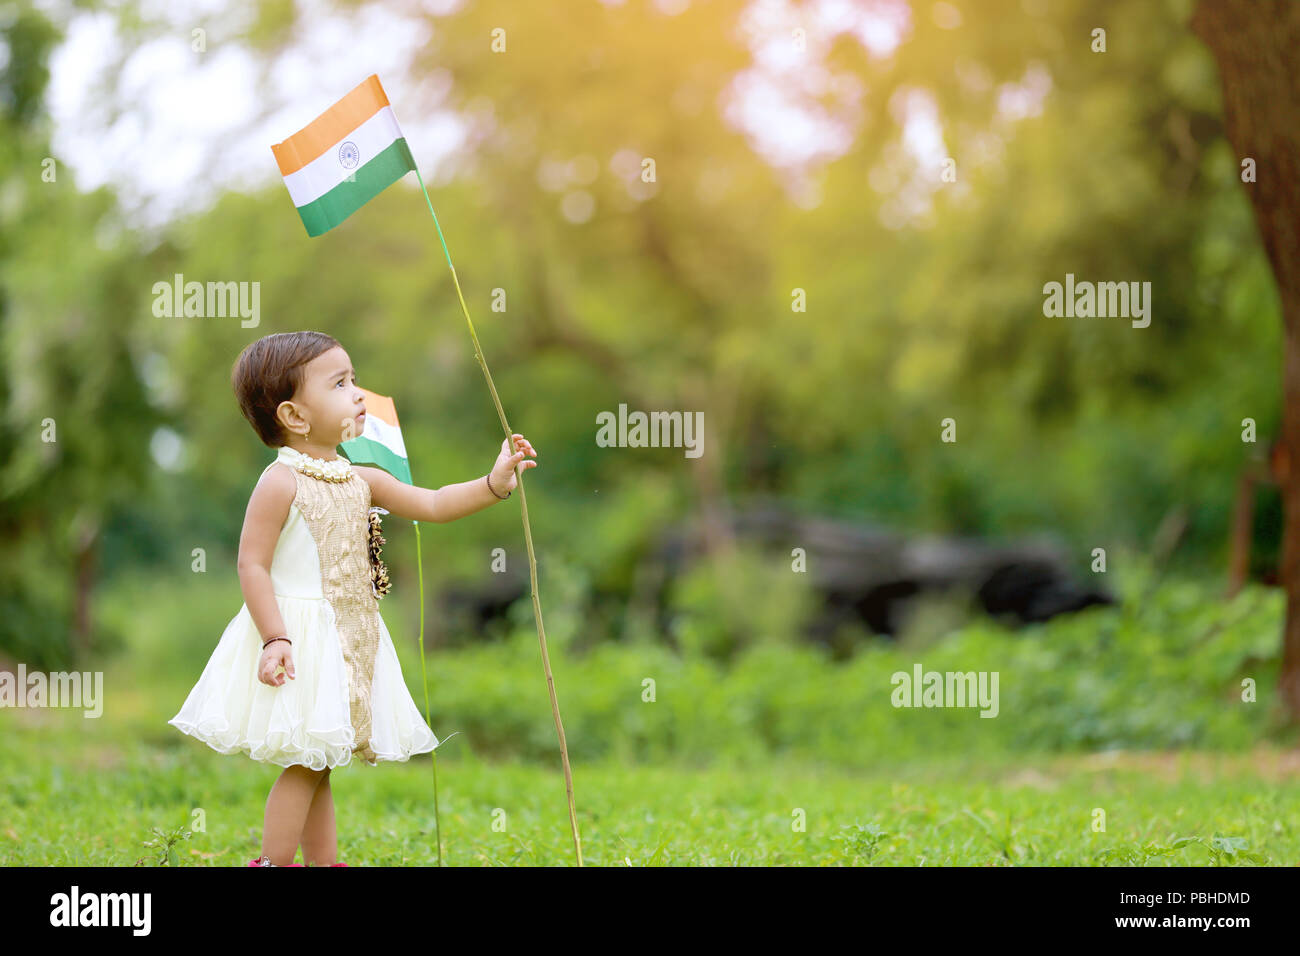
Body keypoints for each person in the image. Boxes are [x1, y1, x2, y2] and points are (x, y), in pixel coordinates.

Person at [167, 330, 538, 866]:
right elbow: (253, 563)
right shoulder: (280, 482)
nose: (359, 393)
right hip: (301, 637)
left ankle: (324, 862)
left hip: (352, 634)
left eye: (354, 379)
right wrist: (274, 637)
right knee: (305, 763)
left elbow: (432, 503)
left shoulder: (360, 478)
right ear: (295, 416)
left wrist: (494, 481)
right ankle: (272, 863)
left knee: (320, 762)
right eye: (340, 383)